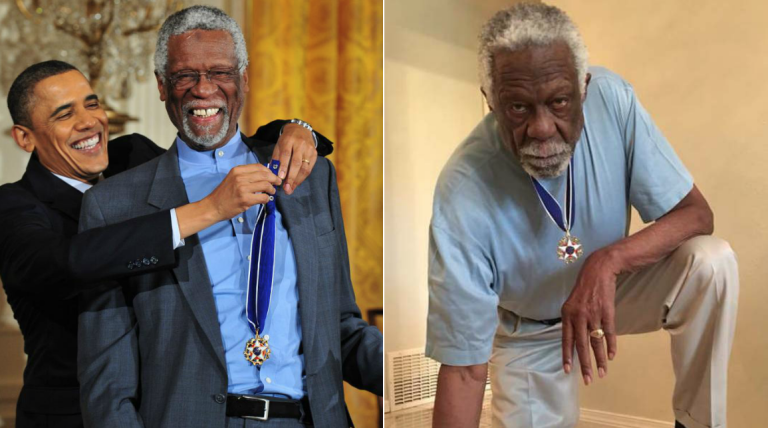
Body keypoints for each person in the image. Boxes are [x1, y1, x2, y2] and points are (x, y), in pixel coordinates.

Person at [427, 4, 738, 428]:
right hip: (530, 329)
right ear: (490, 101)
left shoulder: (613, 99)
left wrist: (608, 262)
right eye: (518, 107)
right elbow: (464, 369)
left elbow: (696, 215)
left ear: (583, 87)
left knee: (711, 263)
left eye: (558, 101)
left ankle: (696, 422)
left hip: (614, 293)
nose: (541, 128)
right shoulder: (462, 191)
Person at [77, 6, 383, 428]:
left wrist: (425, 373)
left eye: (220, 72)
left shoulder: (309, 176)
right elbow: (108, 385)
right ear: (163, 86)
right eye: (185, 75)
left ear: (244, 78)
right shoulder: (114, 205)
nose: (204, 89)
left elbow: (339, 328)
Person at [0, 59, 332, 428]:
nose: (89, 122)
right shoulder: (13, 206)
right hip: (70, 415)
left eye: (91, 104)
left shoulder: (133, 156)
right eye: (64, 114)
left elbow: (219, 147)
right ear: (25, 137)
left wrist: (298, 129)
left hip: (165, 408)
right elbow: (68, 262)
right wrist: (208, 210)